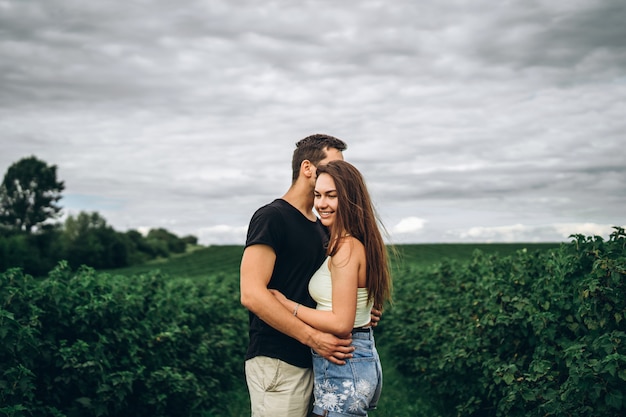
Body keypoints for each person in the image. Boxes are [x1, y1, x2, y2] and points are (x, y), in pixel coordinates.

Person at [240, 134, 357, 417]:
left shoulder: (321, 226)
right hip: (279, 359)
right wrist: (312, 337)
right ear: (307, 168)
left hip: (315, 360)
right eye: (332, 166)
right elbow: (252, 294)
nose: (339, 175)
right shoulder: (272, 217)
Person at [270, 160, 392, 416]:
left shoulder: (346, 248)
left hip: (343, 362)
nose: (321, 204)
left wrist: (286, 304)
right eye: (318, 195)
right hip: (350, 360)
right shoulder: (347, 242)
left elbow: (340, 323)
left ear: (349, 199)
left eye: (331, 196)